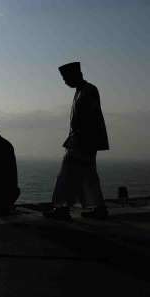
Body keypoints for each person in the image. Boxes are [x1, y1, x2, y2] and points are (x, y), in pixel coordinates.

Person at [44, 62, 109, 220]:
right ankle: (98, 208)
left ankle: (62, 208)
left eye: (66, 78)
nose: (65, 82)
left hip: (82, 142)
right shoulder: (82, 90)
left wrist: (78, 139)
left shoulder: (88, 90)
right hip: (82, 141)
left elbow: (90, 119)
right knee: (88, 176)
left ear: (74, 76)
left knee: (67, 175)